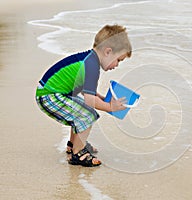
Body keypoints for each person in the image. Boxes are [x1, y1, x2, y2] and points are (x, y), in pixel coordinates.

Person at [35, 24, 132, 167]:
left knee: (79, 110)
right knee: (88, 114)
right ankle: (78, 153)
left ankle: (73, 145)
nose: (117, 65)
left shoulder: (89, 60)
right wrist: (110, 107)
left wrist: (100, 98)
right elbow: (90, 100)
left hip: (50, 93)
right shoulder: (91, 66)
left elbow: (86, 90)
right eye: (118, 60)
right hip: (49, 96)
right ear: (108, 52)